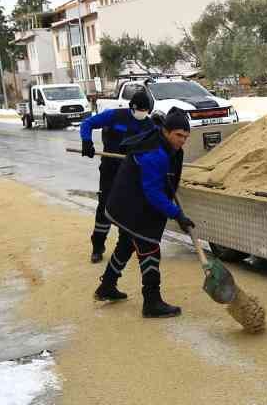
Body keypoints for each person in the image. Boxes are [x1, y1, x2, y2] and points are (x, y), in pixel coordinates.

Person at [96, 108, 195, 318]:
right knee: (149, 249)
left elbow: (166, 181)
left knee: (126, 244)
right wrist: (177, 214)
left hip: (130, 200)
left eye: (186, 137)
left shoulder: (168, 147)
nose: (182, 141)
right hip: (131, 204)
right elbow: (153, 192)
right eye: (178, 135)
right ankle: (152, 302)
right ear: (166, 131)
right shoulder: (154, 153)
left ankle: (106, 287)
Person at [79, 89, 156, 262]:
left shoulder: (150, 126)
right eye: (140, 110)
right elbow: (87, 124)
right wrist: (86, 141)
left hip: (132, 174)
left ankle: (125, 247)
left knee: (130, 210)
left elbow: (156, 148)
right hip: (110, 169)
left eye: (146, 111)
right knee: (105, 209)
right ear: (132, 107)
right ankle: (97, 246)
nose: (143, 114)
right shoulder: (115, 116)